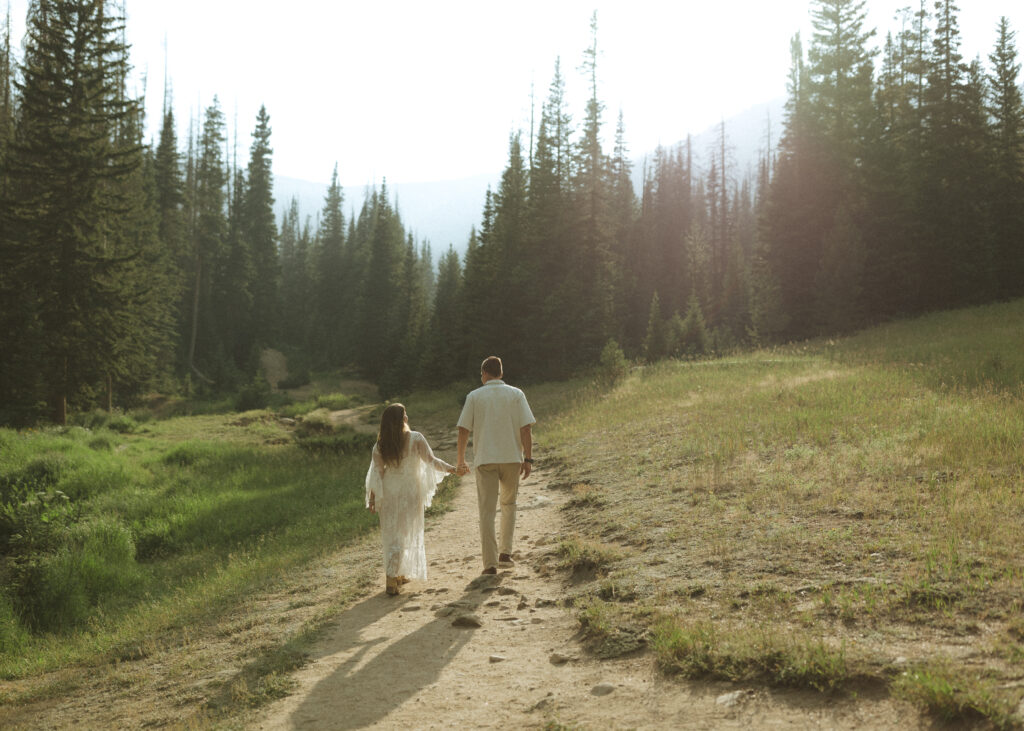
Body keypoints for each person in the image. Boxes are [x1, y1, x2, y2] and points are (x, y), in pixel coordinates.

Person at [365, 403, 456, 595]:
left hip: (390, 490)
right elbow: (432, 461)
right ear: (401, 419)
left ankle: (395, 574)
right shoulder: (415, 438)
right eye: (405, 414)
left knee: (392, 533)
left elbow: (377, 474)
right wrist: (452, 469)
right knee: (404, 532)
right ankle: (393, 575)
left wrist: (373, 499)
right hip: (409, 491)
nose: (407, 417)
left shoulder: (380, 444)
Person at [456, 356, 536, 575]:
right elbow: (526, 428)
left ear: (484, 374)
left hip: (486, 459)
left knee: (487, 512)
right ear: (500, 373)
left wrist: (460, 460)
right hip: (512, 457)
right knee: (509, 505)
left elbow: (463, 430)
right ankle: (505, 553)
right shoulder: (516, 394)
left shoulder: (474, 396)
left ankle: (490, 564)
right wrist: (528, 459)